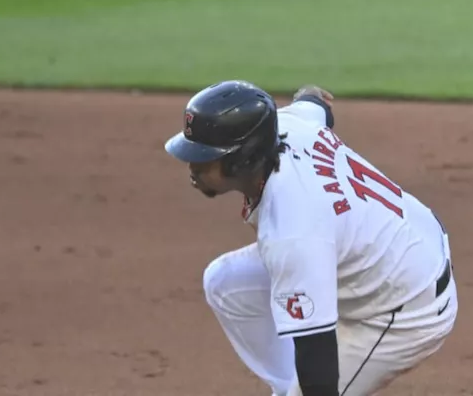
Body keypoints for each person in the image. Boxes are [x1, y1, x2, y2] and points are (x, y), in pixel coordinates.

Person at [163, 80, 457, 396]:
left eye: (206, 157)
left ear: (244, 158)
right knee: (226, 283)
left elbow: (317, 359)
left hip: (404, 309)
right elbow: (315, 105)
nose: (192, 166)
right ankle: (285, 387)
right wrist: (309, 95)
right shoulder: (287, 126)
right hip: (404, 244)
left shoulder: (292, 231)